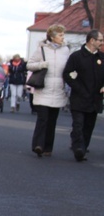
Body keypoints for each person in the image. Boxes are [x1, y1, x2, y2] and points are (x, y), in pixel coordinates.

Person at [27, 24, 70, 157]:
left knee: (52, 121)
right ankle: (38, 145)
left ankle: (48, 148)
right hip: (44, 88)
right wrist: (41, 64)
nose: (63, 37)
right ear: (52, 36)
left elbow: (69, 67)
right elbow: (29, 64)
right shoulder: (42, 49)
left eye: (63, 35)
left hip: (58, 89)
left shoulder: (66, 50)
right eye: (60, 35)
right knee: (43, 119)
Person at [62, 29, 104, 162]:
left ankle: (83, 147)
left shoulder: (102, 57)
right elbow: (67, 74)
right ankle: (78, 148)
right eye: (100, 40)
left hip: (95, 98)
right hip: (79, 98)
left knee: (89, 126)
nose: (102, 43)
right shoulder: (77, 56)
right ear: (92, 40)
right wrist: (79, 88)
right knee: (78, 125)